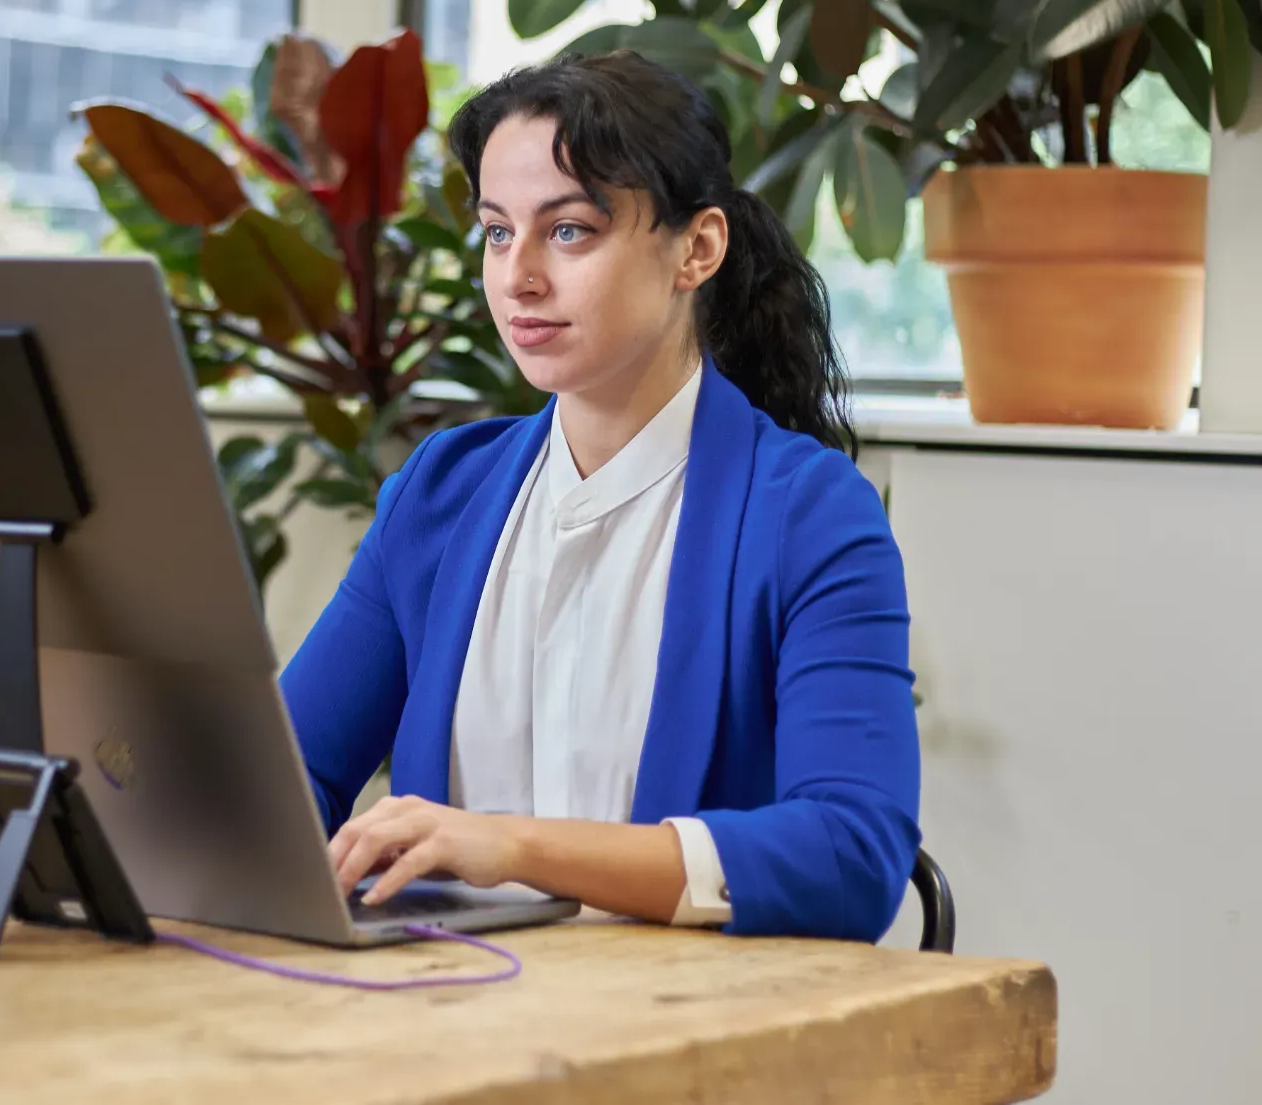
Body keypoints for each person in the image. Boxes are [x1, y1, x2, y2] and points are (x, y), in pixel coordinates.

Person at [279, 51, 920, 943]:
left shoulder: (808, 515)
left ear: (696, 248)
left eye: (569, 230)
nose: (519, 276)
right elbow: (283, 778)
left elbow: (852, 855)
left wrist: (514, 845)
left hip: (678, 1042)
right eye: (498, 232)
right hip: (431, 1018)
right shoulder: (440, 494)